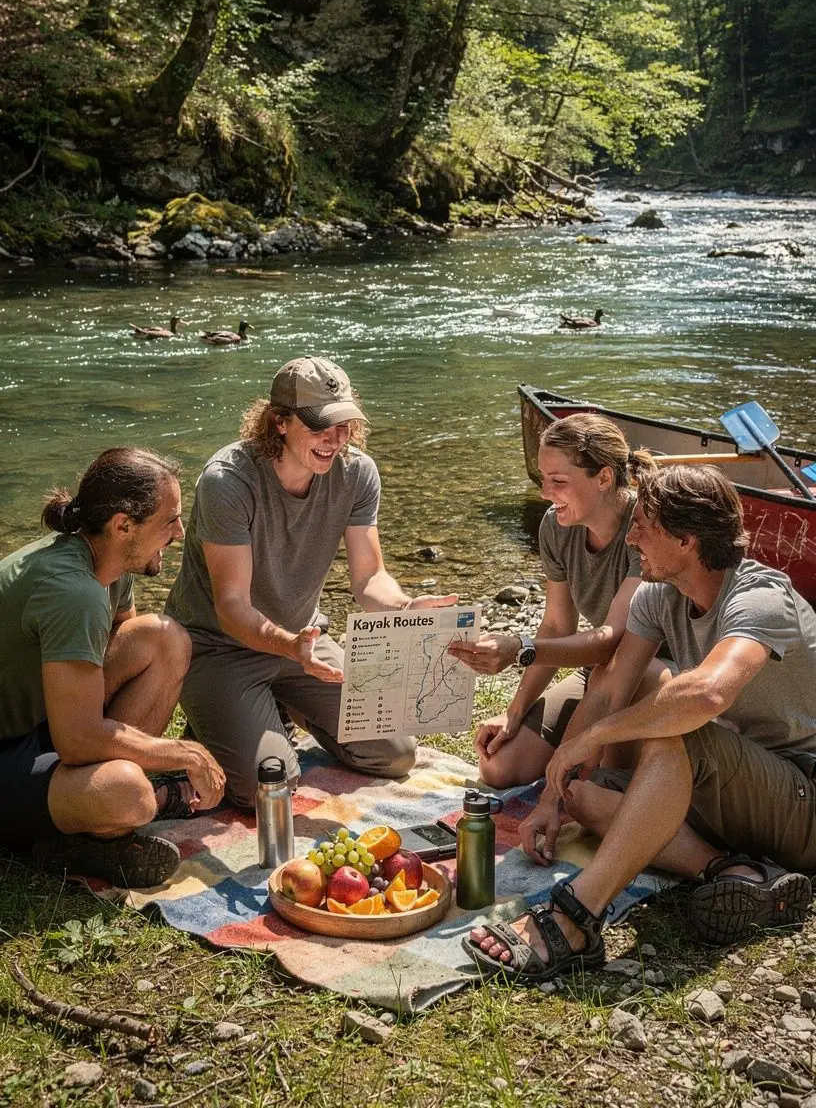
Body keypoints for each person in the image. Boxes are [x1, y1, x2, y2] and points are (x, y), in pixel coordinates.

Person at [465, 463, 816, 979]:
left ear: (687, 540)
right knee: (584, 796)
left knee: (677, 731)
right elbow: (607, 692)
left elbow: (709, 692)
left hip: (801, 797)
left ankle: (575, 920)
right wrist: (550, 797)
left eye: (643, 528)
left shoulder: (760, 596)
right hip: (735, 791)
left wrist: (597, 737)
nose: (631, 539)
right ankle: (736, 873)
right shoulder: (659, 594)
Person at [167, 355, 456, 807]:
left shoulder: (357, 473)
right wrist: (290, 648)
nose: (334, 439)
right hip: (220, 648)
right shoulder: (227, 482)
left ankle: (275, 708)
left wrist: (404, 610)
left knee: (395, 754)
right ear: (279, 422)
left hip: (304, 641)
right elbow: (231, 606)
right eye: (320, 425)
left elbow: (370, 578)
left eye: (343, 425)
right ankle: (228, 718)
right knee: (269, 790)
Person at [0, 448, 226, 888]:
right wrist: (183, 752)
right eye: (170, 521)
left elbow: (118, 657)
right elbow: (79, 741)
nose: (180, 533)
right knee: (129, 794)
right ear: (123, 525)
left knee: (163, 638)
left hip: (37, 725)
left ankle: (77, 825)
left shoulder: (109, 562)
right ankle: (78, 836)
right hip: (10, 748)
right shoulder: (73, 591)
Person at [450, 413, 650, 788]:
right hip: (599, 671)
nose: (544, 493)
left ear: (604, 478)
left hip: (652, 671)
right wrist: (514, 710)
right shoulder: (555, 527)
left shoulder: (645, 528)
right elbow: (559, 625)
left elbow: (611, 640)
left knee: (584, 782)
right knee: (498, 768)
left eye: (558, 481)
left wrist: (521, 649)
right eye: (544, 479)